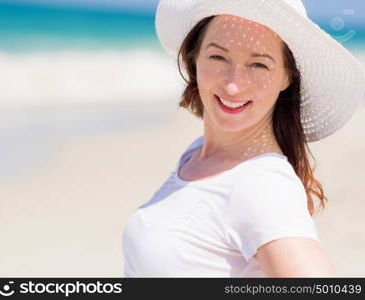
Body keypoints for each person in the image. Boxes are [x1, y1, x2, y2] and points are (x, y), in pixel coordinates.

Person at [122, 0, 365, 277]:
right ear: (194, 58)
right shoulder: (197, 154)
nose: (233, 84)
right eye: (218, 57)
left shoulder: (262, 184)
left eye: (259, 65)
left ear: (287, 76)